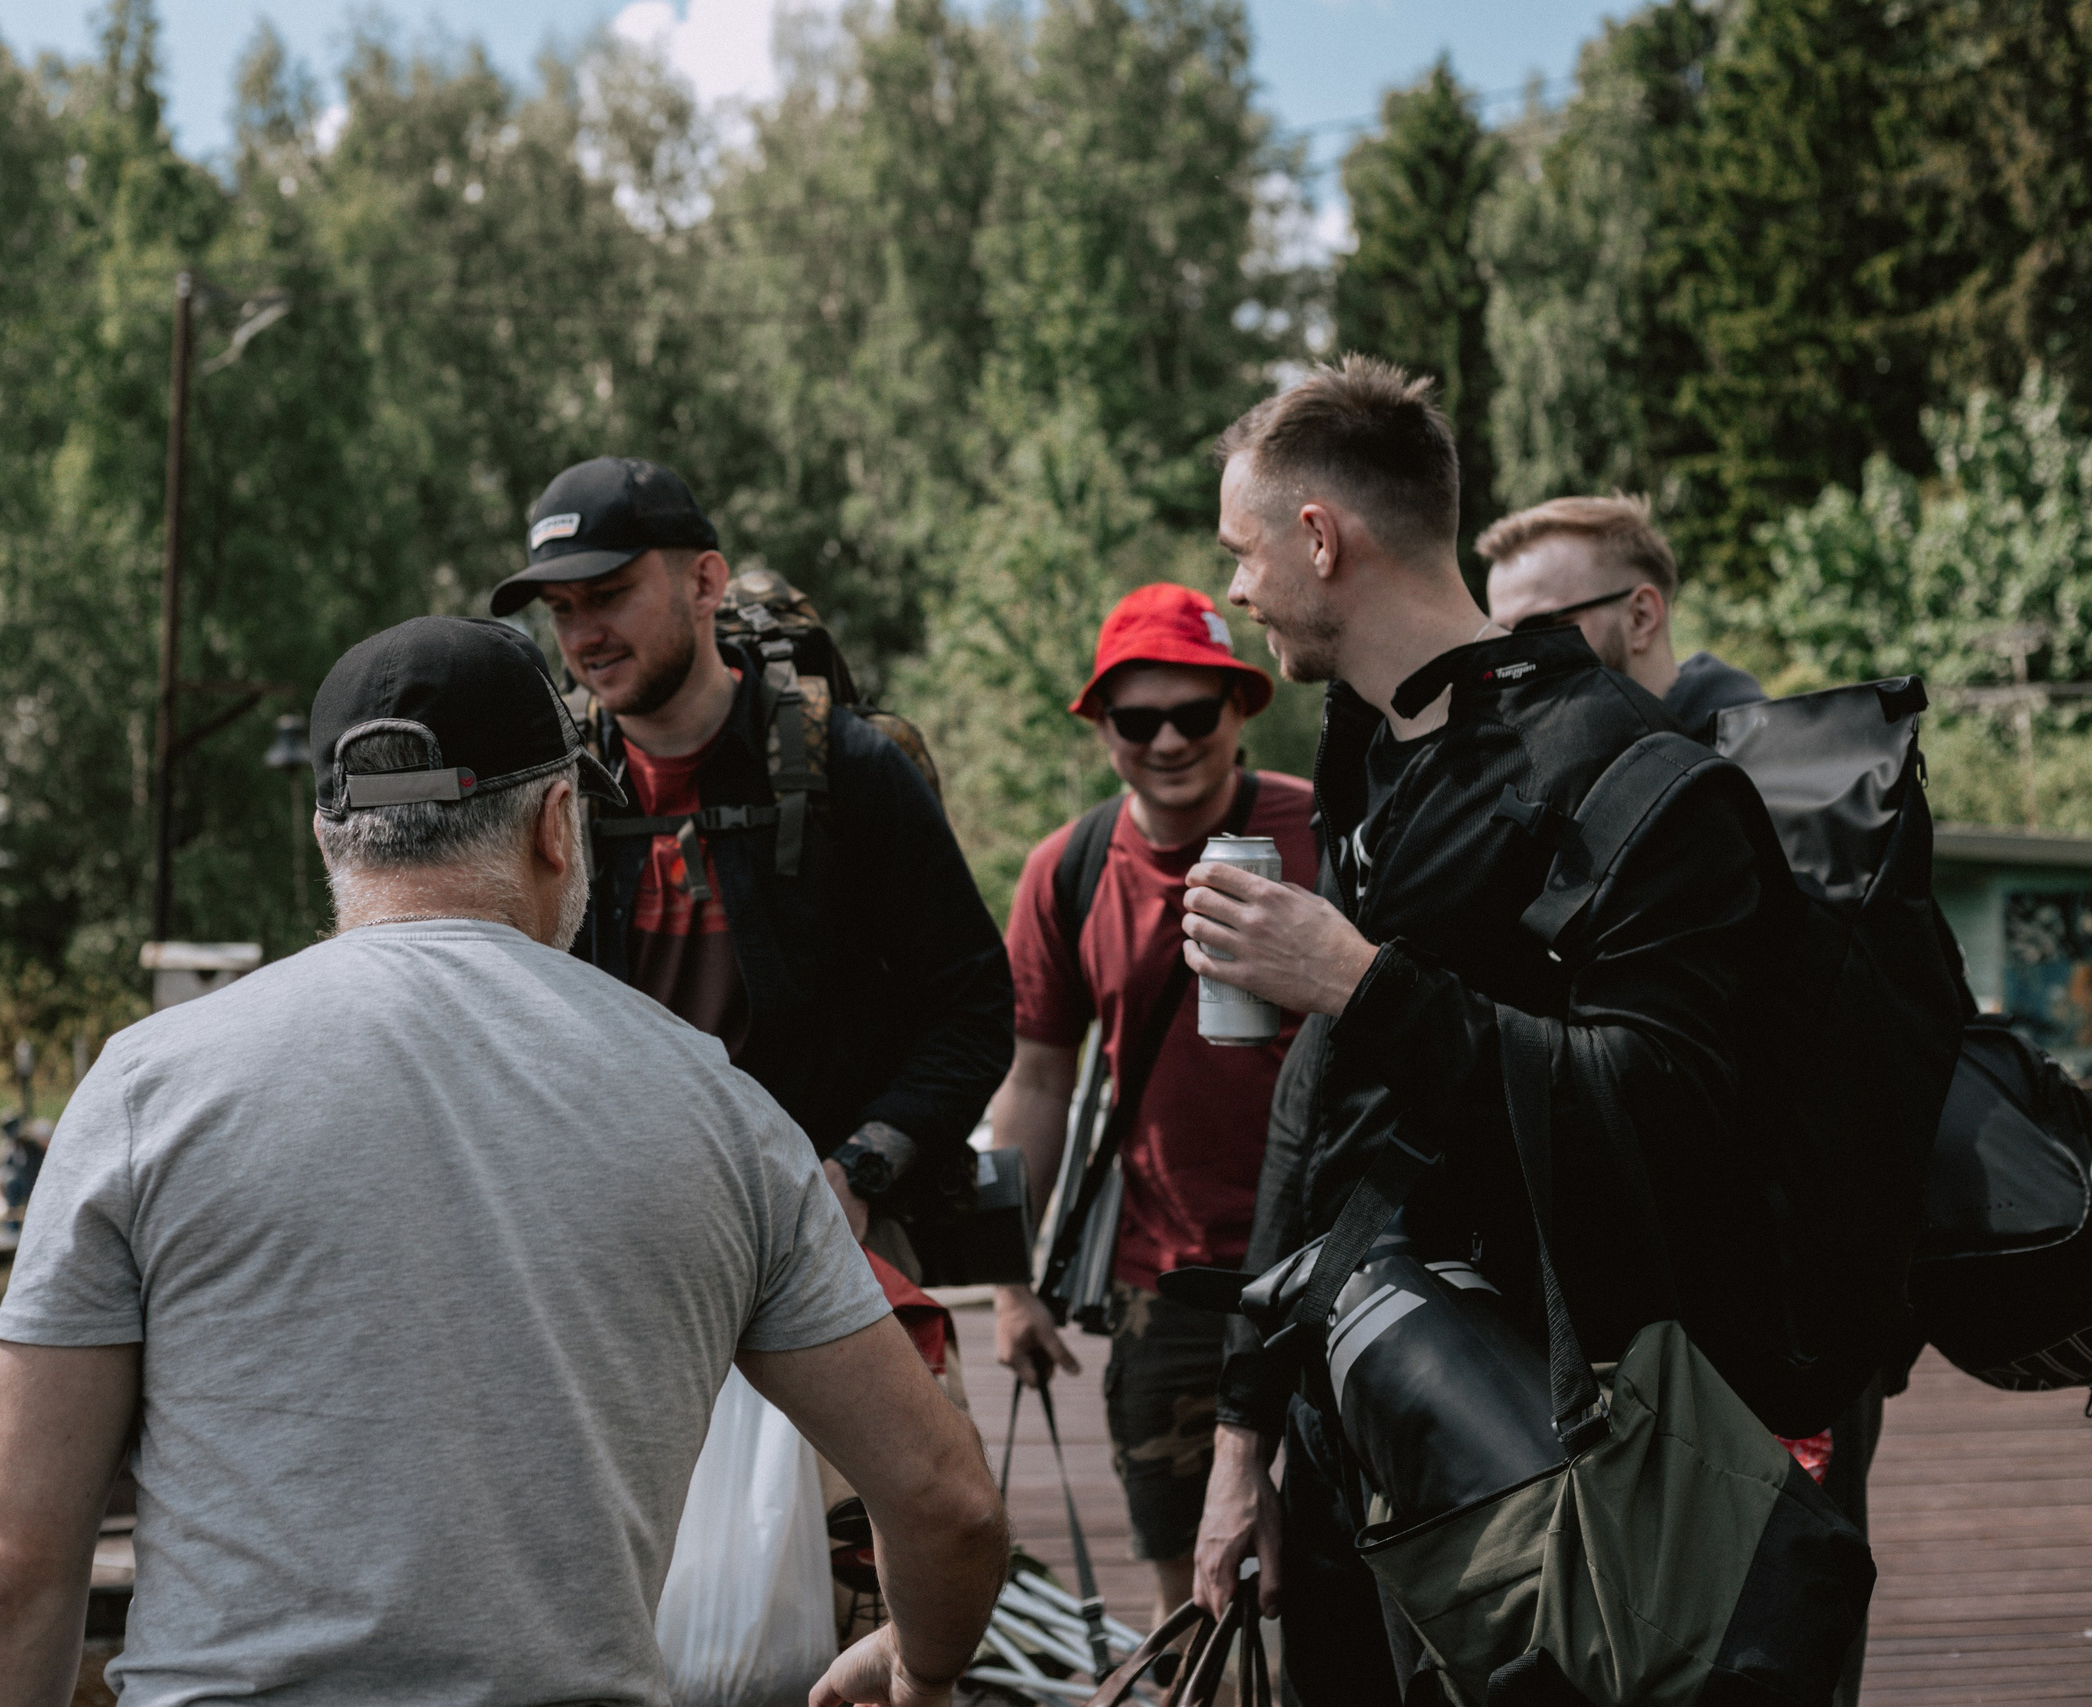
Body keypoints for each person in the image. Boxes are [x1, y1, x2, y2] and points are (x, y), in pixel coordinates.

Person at [0, 615, 1007, 1707]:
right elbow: (946, 1503)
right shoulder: (720, 1112)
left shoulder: (144, 1090)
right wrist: (921, 1663)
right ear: (553, 824)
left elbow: (3, 1565)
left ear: (328, 839)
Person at [1177, 358, 1779, 1700]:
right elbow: (1326, 1106)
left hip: (1570, 1481)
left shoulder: (1625, 773)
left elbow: (1667, 1106)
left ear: (1322, 537)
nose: (1235, 588)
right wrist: (1240, 1436)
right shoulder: (1378, 753)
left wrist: (1357, 979)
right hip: (1374, 1439)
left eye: (1243, 548)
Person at [1482, 493, 1881, 1706]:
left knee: (1771, 1623)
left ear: (1640, 613)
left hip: (1775, 1301)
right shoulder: (1582, 772)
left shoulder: (1781, 773)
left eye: (1541, 631)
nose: (1514, 668)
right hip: (1653, 1296)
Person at [490, 457, 1013, 1283]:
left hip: (828, 1240)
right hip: (616, 1250)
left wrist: (859, 1169)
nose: (584, 634)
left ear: (704, 582)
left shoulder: (850, 768)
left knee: (916, 1420)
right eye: (562, 611)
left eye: (611, 594)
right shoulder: (546, 796)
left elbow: (973, 1007)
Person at [985, 582, 1317, 1633]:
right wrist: (1006, 1284)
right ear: (1101, 728)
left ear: (1240, 711)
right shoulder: (1069, 871)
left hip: (1328, 1264)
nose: (1168, 741)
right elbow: (1034, 1078)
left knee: (1342, 1588)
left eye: (1194, 714)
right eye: (1137, 720)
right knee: (1194, 1605)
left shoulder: (1321, 828)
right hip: (1164, 1286)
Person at [1476, 494, 1763, 736]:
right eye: (1501, 638)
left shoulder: (1753, 764)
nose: (1515, 661)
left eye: (1541, 629)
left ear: (1641, 618)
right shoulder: (1542, 765)